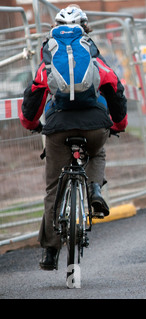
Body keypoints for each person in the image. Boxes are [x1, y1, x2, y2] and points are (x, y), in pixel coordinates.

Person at [20, 5, 128, 271]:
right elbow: (114, 88)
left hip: (58, 128)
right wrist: (119, 124)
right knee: (98, 149)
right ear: (86, 28)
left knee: (53, 188)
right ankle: (94, 189)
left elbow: (34, 96)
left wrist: (31, 124)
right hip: (94, 125)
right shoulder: (91, 56)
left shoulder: (50, 59)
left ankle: (50, 251)